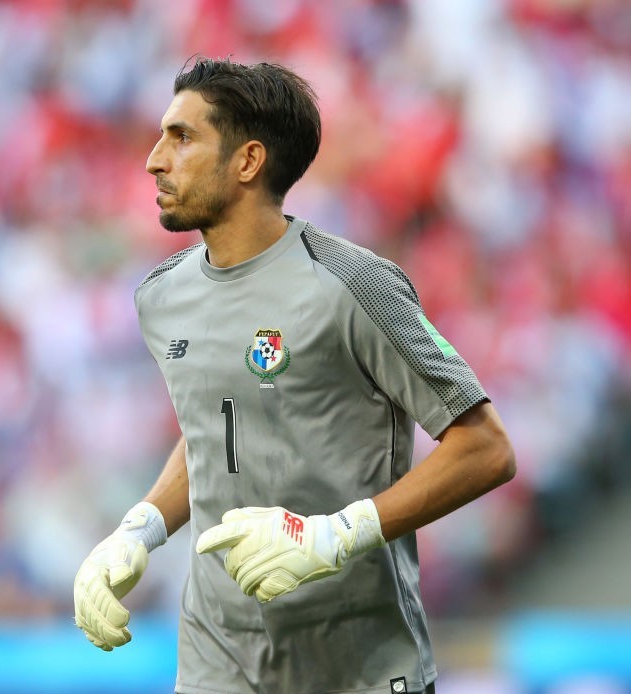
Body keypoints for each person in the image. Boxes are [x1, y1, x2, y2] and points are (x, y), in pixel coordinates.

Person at [72, 57, 516, 694]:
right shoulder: (161, 297)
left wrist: (337, 535)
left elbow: (487, 448)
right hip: (216, 663)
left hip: (356, 666)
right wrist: (138, 529)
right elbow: (217, 425)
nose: (154, 159)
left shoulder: (354, 286)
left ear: (248, 161)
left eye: (182, 137)